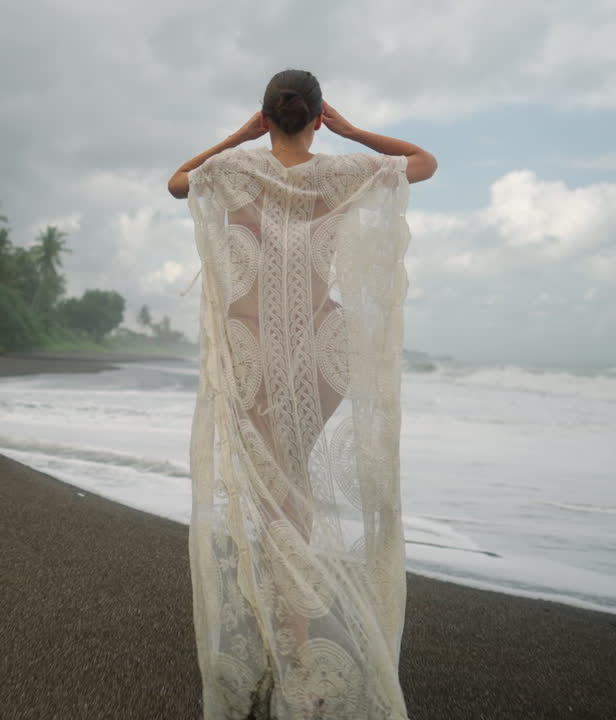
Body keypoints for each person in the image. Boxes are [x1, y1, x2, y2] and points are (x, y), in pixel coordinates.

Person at [170, 69, 434, 719]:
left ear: (265, 117)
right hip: (320, 354)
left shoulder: (236, 171)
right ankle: (294, 643)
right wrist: (353, 132)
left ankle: (289, 646)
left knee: (277, 500)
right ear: (318, 117)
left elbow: (179, 183)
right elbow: (421, 162)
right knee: (294, 491)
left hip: (257, 354)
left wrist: (238, 137)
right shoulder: (337, 175)